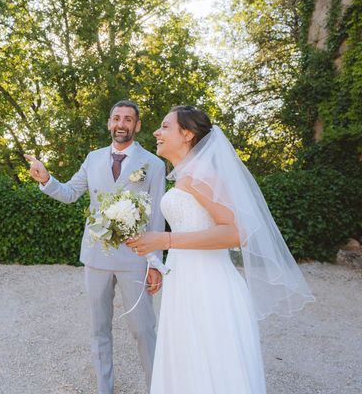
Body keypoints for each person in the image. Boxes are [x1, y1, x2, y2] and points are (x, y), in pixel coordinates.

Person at [126, 106, 315, 394]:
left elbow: (236, 232)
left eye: (165, 126)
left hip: (208, 288)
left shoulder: (200, 177)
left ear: (186, 134)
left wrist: (165, 241)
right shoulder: (184, 176)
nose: (156, 132)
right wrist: (155, 256)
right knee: (188, 368)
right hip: (184, 282)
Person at [25, 100, 167, 394]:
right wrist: (47, 179)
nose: (121, 124)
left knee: (143, 331)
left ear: (137, 126)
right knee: (99, 329)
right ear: (108, 123)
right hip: (96, 256)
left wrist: (155, 263)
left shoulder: (153, 164)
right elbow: (70, 193)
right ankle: (105, 389)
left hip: (135, 259)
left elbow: (156, 218)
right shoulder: (93, 158)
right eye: (116, 118)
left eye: (128, 119)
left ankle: (157, 387)